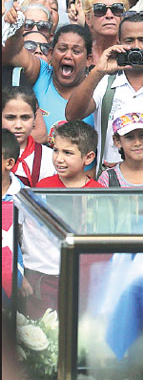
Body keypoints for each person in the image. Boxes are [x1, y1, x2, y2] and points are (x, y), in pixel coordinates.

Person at [65, 11, 143, 174]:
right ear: (119, 44)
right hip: (110, 188)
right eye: (129, 41)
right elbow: (72, 115)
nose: (136, 47)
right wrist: (99, 70)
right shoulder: (104, 82)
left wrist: (134, 165)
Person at [22, 121, 101, 318]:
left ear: (88, 157)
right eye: (55, 150)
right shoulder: (42, 186)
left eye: (68, 153)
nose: (58, 158)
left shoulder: (99, 194)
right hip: (42, 276)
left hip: (81, 278)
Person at [3, 4, 95, 146]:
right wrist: (16, 30)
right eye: (62, 49)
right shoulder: (41, 73)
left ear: (89, 60)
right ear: (50, 54)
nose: (68, 55)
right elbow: (13, 55)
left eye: (76, 51)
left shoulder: (98, 89)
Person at [1, 86, 55, 187]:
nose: (18, 125)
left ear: (35, 119)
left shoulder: (48, 158)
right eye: (10, 117)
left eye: (25, 117)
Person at [1, 129, 27, 303]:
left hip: (11, 281)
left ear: (9, 163)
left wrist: (24, 277)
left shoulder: (24, 197)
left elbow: (27, 240)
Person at [82, 0, 129, 66]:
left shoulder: (132, 52)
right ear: (88, 19)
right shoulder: (81, 53)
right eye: (100, 10)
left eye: (116, 9)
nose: (109, 15)